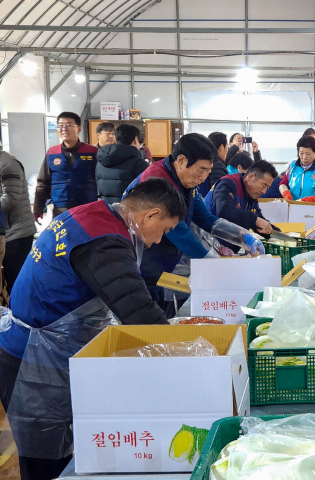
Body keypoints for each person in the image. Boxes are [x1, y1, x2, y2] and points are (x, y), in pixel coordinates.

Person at [0, 178, 185, 480]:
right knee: (46, 461)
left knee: (59, 453)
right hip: (33, 362)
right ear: (151, 215)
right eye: (164, 230)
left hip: (39, 350)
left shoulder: (92, 214)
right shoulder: (105, 240)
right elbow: (138, 312)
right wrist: (186, 357)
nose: (157, 241)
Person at [124, 133, 264, 310]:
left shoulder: (186, 182)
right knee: (148, 311)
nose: (203, 177)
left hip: (167, 259)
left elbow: (206, 219)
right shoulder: (157, 181)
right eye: (201, 170)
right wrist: (216, 263)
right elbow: (180, 233)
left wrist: (243, 237)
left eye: (208, 171)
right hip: (145, 260)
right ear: (181, 161)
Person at [34, 112, 98, 221]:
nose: (64, 128)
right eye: (61, 125)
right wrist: (38, 208)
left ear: (79, 128)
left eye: (69, 125)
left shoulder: (92, 152)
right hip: (60, 209)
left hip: (86, 208)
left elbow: (100, 179)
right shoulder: (52, 153)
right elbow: (43, 183)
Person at [205, 160, 280, 252]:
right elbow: (224, 211)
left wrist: (276, 232)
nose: (264, 192)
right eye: (263, 186)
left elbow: (257, 219)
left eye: (267, 188)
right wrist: (254, 219)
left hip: (229, 250)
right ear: (251, 176)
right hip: (209, 248)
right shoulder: (227, 184)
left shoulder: (251, 194)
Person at [0, 143, 37, 293]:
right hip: (7, 232)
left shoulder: (8, 164)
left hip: (17, 233)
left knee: (16, 281)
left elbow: (10, 199)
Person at [96, 123, 149, 204]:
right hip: (129, 209)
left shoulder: (101, 161)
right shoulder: (139, 164)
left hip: (106, 208)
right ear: (135, 139)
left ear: (116, 139)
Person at [197, 131, 229, 197]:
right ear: (221, 148)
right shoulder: (218, 165)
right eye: (227, 148)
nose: (227, 151)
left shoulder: (205, 162)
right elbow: (219, 192)